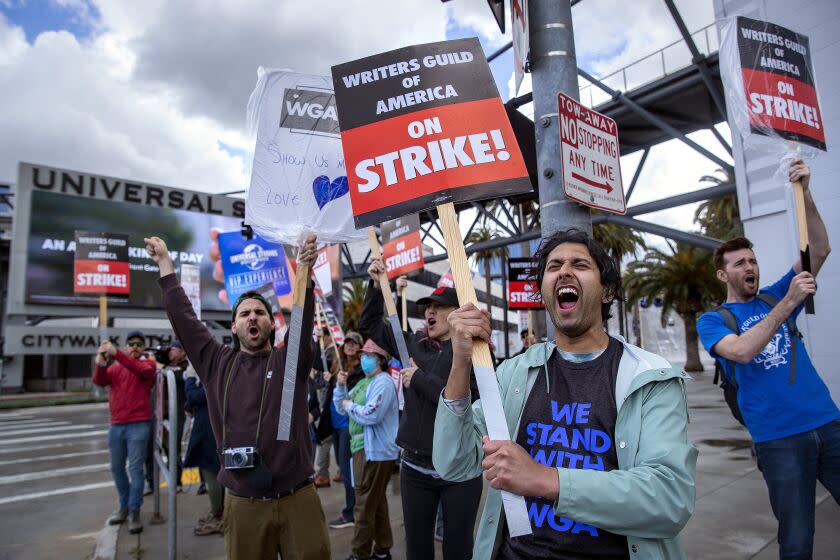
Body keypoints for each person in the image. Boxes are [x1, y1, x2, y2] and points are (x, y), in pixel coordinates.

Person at [433, 228, 698, 559]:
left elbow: (669, 498)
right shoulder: (514, 373)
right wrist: (460, 363)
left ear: (608, 290)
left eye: (580, 265)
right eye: (554, 266)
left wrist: (545, 480)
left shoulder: (648, 379)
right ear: (542, 291)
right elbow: (455, 464)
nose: (564, 272)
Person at [144, 234, 330, 560]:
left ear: (272, 324)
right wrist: (165, 265)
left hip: (298, 498)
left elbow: (301, 321)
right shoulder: (217, 363)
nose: (253, 317)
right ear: (233, 327)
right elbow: (185, 321)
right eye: (244, 314)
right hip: (243, 504)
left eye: (260, 312)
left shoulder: (289, 361)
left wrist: (303, 270)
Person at [697, 159, 838, 559]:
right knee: (796, 538)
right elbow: (741, 351)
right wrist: (789, 303)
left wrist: (805, 191)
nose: (750, 267)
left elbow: (821, 248)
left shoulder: (774, 294)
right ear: (724, 276)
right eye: (740, 263)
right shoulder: (714, 321)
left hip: (829, 424)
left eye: (753, 261)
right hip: (778, 440)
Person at [360, 265, 482, 560]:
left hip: (460, 472)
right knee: (417, 549)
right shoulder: (410, 345)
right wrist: (376, 285)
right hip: (415, 469)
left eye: (440, 307)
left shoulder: (476, 353)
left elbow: (466, 401)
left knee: (458, 550)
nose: (431, 312)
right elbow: (370, 324)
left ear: (459, 312)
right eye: (428, 307)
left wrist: (420, 380)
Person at [333, 339, 399, 560]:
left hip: (374, 450)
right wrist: (340, 387)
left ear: (379, 359)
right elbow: (341, 408)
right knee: (375, 501)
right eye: (362, 356)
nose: (363, 359)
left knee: (363, 503)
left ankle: (359, 553)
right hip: (361, 448)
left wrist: (349, 406)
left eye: (368, 356)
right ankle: (382, 550)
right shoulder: (363, 382)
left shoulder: (384, 382)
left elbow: (371, 414)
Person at [92, 330, 157, 535]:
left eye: (139, 343)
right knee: (116, 468)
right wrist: (101, 363)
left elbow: (141, 371)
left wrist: (116, 353)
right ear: (127, 346)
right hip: (117, 424)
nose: (135, 347)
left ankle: (134, 511)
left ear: (144, 347)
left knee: (136, 469)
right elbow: (100, 381)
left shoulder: (148, 365)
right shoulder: (117, 367)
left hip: (139, 424)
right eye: (132, 344)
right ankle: (125, 507)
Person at [325, 330, 365, 529]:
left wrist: (344, 382)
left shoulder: (360, 371)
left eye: (354, 343)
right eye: (347, 343)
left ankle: (351, 512)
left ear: (359, 348)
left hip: (348, 428)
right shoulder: (337, 366)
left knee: (349, 472)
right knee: (344, 469)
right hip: (335, 425)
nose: (350, 345)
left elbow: (354, 398)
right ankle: (353, 509)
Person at [183, 366, 225, 535]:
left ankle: (218, 515)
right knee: (212, 473)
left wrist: (191, 378)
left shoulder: (214, 375)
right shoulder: (217, 373)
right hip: (210, 431)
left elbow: (194, 396)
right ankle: (218, 513)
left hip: (209, 433)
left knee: (212, 474)